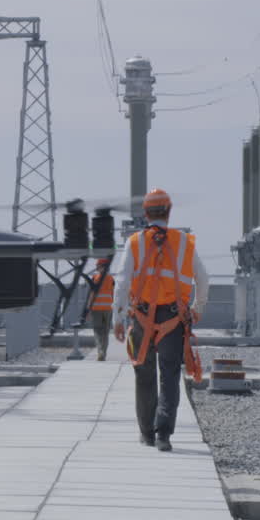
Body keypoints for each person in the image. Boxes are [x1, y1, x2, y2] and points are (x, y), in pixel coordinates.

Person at [112, 188, 209, 452]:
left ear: (145, 213)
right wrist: (197, 307)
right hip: (173, 319)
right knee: (169, 375)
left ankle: (147, 433)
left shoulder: (134, 242)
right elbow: (203, 278)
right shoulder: (184, 242)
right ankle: (163, 434)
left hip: (141, 317)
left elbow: (121, 282)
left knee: (144, 375)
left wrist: (117, 317)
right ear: (169, 211)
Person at [87, 258, 114, 361]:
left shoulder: (95, 278)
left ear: (101, 266)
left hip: (96, 308)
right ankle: (103, 353)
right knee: (105, 332)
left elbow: (91, 294)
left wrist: (88, 309)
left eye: (97, 265)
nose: (96, 267)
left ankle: (100, 352)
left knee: (98, 331)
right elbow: (113, 293)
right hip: (108, 308)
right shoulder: (111, 279)